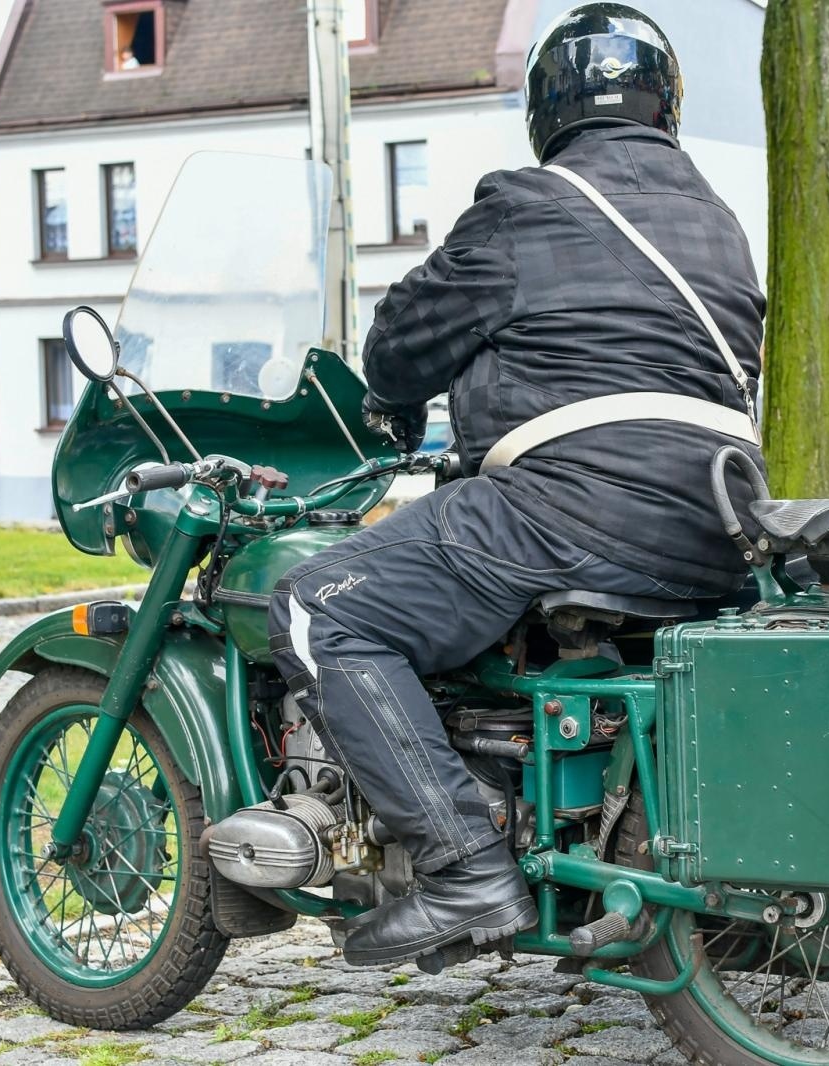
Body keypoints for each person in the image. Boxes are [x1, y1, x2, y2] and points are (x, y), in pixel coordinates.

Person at [263, 3, 766, 967]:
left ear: (548, 107)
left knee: (319, 609)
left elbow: (404, 341)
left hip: (573, 507)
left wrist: (393, 399)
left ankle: (465, 869)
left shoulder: (526, 206)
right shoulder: (718, 223)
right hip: (721, 514)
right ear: (667, 105)